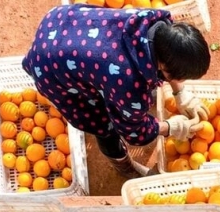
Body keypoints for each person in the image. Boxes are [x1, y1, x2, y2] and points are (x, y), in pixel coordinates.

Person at [24, 5, 210, 174]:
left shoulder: (153, 23)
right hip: (49, 68)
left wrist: (180, 93)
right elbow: (135, 132)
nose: (181, 81)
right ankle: (122, 165)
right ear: (162, 65)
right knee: (103, 125)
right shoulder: (129, 82)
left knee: (106, 84)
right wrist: (171, 128)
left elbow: (166, 59)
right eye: (180, 77)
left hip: (61, 21)